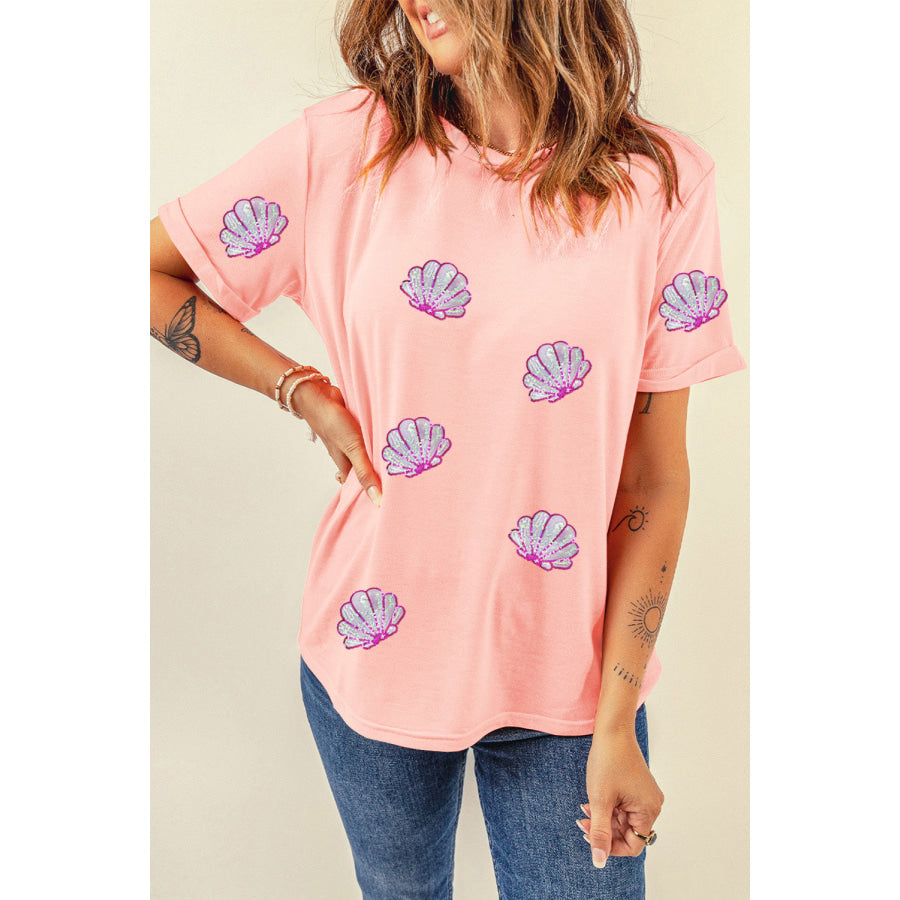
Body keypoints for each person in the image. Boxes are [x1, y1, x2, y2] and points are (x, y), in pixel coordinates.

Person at [150, 1, 745, 896]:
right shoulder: (343, 147)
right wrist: (299, 388)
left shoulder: (662, 184)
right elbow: (151, 274)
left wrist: (617, 719)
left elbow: (654, 480)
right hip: (373, 645)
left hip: (571, 676)